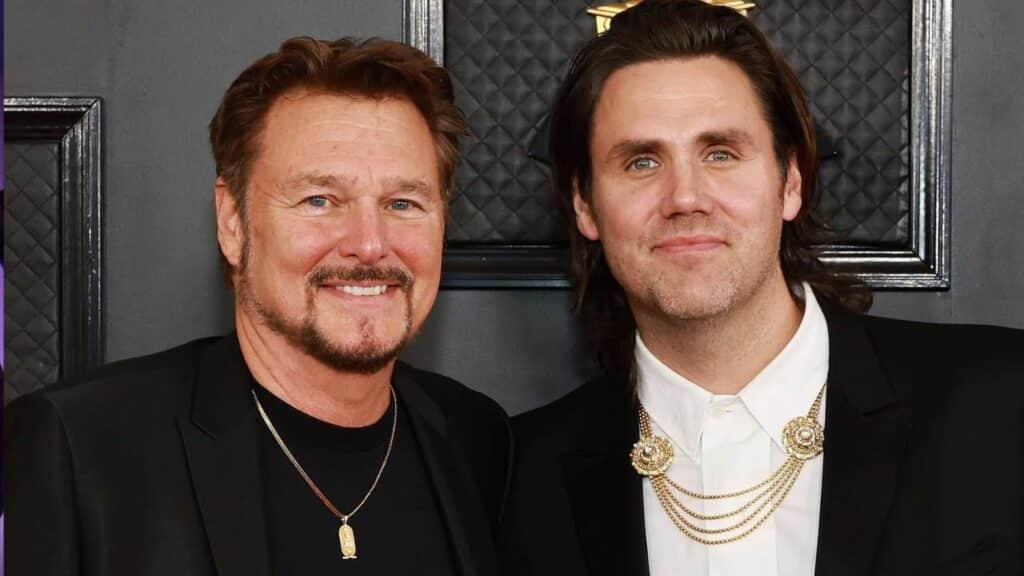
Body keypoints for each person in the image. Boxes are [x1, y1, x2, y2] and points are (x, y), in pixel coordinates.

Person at [500, 1, 1024, 575]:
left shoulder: (999, 405)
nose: (685, 197)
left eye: (720, 153)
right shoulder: (522, 479)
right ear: (585, 205)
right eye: (642, 162)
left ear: (791, 182)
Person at [6, 37, 510, 576]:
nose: (369, 243)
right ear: (232, 221)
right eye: (319, 200)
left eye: (403, 203)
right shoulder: (78, 447)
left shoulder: (476, 438)